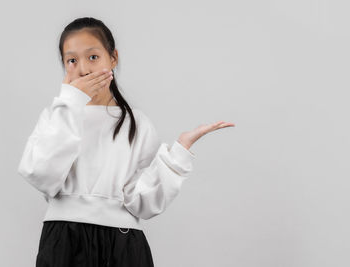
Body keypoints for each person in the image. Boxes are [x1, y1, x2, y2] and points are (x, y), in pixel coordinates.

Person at [17, 16, 235, 267]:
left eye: (93, 57)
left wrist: (179, 152)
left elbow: (143, 203)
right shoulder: (56, 117)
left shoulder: (136, 123)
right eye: (72, 60)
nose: (84, 69)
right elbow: (42, 176)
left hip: (122, 244)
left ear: (113, 58)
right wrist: (70, 103)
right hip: (63, 240)